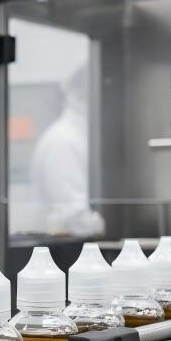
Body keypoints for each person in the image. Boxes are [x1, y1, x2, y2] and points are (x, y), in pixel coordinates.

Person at [29, 65, 105, 235]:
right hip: (65, 254)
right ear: (81, 96)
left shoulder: (83, 136)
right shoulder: (63, 141)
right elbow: (73, 217)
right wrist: (113, 227)